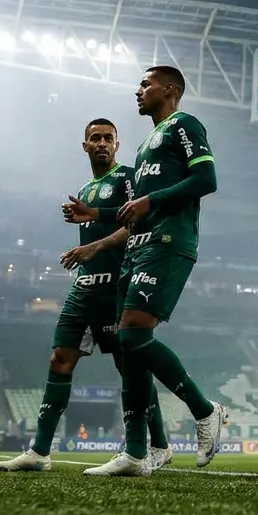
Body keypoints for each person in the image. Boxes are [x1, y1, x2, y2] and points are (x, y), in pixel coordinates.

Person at [0, 118, 170, 473]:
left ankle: (158, 445)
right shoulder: (85, 189)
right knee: (60, 358)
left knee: (129, 367)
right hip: (84, 286)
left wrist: (95, 247)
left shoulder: (127, 178)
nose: (102, 143)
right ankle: (39, 452)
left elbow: (137, 224)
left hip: (117, 286)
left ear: (117, 145)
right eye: (95, 138)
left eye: (108, 138)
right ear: (85, 146)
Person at [79, 66, 227, 477]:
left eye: (146, 84)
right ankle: (136, 453)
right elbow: (135, 209)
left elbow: (207, 178)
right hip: (137, 247)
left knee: (132, 335)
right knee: (127, 349)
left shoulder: (184, 124)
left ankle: (205, 409)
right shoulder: (146, 144)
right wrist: (97, 214)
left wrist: (151, 201)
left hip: (168, 242)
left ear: (170, 89)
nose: (138, 90)